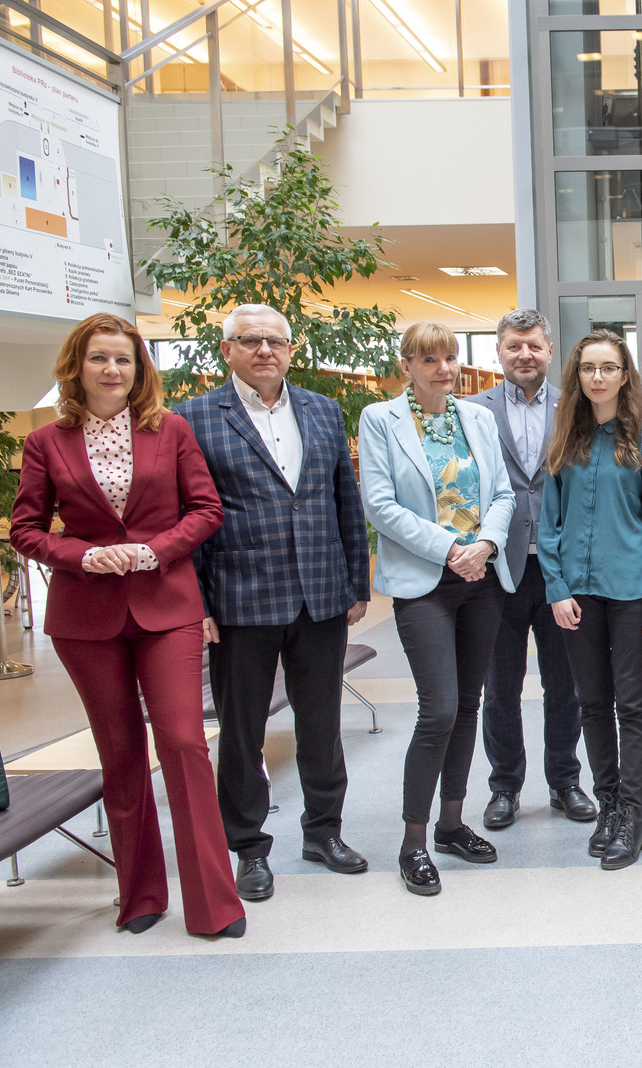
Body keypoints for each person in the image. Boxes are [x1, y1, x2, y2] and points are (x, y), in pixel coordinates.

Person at [10, 314, 244, 938]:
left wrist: (154, 550)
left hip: (166, 606)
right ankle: (140, 894)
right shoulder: (45, 442)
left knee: (184, 743)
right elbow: (26, 529)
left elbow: (206, 509)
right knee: (119, 753)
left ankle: (215, 903)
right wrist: (82, 555)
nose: (112, 369)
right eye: (99, 358)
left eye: (123, 358)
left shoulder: (171, 430)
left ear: (140, 369)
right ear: (76, 367)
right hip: (86, 616)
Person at [176, 303, 372, 904]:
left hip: (320, 594)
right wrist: (198, 603)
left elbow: (344, 500)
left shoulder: (322, 410)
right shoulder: (193, 418)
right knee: (241, 732)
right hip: (241, 597)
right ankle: (248, 848)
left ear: (290, 350)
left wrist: (356, 583)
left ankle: (323, 832)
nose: (265, 350)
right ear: (227, 350)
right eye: (250, 340)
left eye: (275, 341)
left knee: (322, 723)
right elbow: (187, 517)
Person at [358, 322, 515, 897]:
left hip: (482, 577)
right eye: (429, 359)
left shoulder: (477, 418)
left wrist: (486, 545)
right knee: (439, 710)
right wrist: (450, 550)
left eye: (450, 357)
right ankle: (413, 842)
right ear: (406, 365)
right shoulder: (380, 419)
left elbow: (502, 494)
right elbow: (380, 505)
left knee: (468, 706)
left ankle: (451, 825)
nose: (443, 368)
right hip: (425, 581)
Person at [539, 329, 642, 871]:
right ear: (577, 375)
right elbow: (549, 525)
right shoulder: (563, 439)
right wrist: (556, 588)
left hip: (633, 591)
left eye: (608, 368)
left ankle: (634, 814)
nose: (598, 377)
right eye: (588, 368)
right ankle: (609, 807)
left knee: (633, 703)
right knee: (591, 703)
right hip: (577, 593)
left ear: (624, 375)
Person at [466, 310, 595, 832]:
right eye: (514, 346)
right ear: (499, 352)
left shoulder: (577, 408)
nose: (525, 355)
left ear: (549, 351)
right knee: (500, 687)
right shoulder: (472, 412)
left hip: (562, 570)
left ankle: (564, 782)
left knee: (566, 684)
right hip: (497, 568)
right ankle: (505, 787)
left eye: (534, 346)